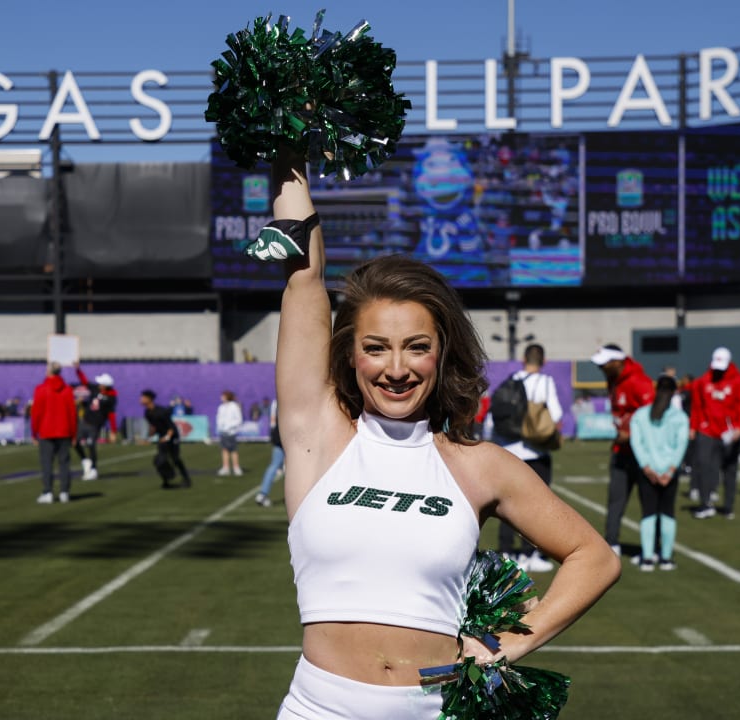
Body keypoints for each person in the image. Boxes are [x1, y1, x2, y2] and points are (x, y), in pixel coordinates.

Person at [265, 146, 619, 719]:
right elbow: (305, 281)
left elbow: (593, 556)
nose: (396, 368)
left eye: (417, 347)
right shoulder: (318, 434)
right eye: (375, 348)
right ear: (350, 355)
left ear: (442, 353)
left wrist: (515, 641)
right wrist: (286, 142)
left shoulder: (479, 465)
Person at [491, 343, 565, 573]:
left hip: (508, 451)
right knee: (536, 506)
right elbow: (556, 415)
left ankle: (505, 551)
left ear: (524, 359)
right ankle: (528, 552)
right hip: (535, 452)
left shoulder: (509, 382)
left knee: (505, 503)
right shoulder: (545, 382)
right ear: (543, 361)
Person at [592, 343, 655, 557]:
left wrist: (632, 434)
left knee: (648, 501)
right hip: (621, 450)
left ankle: (652, 548)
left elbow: (653, 418)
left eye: (605, 364)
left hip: (643, 453)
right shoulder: (613, 381)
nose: (601, 368)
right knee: (615, 498)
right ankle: (611, 543)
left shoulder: (640, 382)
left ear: (618, 361)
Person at [629, 375, 690, 571]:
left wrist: (647, 467)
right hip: (668, 473)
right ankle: (666, 558)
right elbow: (681, 445)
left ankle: (647, 558)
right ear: (674, 393)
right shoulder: (680, 417)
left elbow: (636, 443)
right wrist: (670, 470)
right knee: (667, 512)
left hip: (648, 472)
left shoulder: (640, 415)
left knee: (648, 513)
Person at [690, 347, 740, 519]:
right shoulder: (703, 381)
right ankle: (705, 503)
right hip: (707, 431)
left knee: (730, 470)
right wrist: (693, 427)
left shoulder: (738, 381)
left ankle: (728, 506)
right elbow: (697, 407)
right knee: (703, 465)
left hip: (730, 433)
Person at [30, 362, 77, 505]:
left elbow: (36, 412)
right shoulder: (68, 390)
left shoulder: (41, 389)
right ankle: (64, 492)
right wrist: (73, 433)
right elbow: (72, 413)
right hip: (64, 431)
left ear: (50, 372)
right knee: (64, 463)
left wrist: (34, 432)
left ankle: (48, 491)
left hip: (46, 431)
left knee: (47, 463)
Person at [141, 390, 191, 489]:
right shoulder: (147, 412)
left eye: (143, 398)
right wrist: (148, 438)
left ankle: (186, 479)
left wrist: (167, 437)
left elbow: (171, 427)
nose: (141, 400)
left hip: (172, 437)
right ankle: (166, 480)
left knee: (176, 459)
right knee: (160, 460)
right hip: (162, 437)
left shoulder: (161, 411)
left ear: (149, 399)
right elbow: (153, 427)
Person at [74, 368, 118, 481]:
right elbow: (85, 381)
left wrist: (113, 430)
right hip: (85, 420)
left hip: (96, 424)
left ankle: (93, 469)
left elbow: (111, 414)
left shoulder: (111, 397)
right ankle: (85, 460)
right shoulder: (95, 389)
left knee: (91, 444)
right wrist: (77, 369)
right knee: (75, 442)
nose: (98, 384)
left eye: (101, 383)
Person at [255, 398, 284, 507]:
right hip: (289, 436)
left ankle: (262, 494)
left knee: (274, 465)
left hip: (278, 434)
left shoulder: (275, 401)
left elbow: (272, 421)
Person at [215, 390, 244, 475]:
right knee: (224, 450)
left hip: (231, 432)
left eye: (223, 396)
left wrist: (230, 426)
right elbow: (219, 418)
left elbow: (239, 419)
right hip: (223, 432)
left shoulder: (234, 406)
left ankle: (236, 467)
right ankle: (225, 467)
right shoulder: (221, 407)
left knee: (233, 450)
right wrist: (220, 426)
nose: (221, 397)